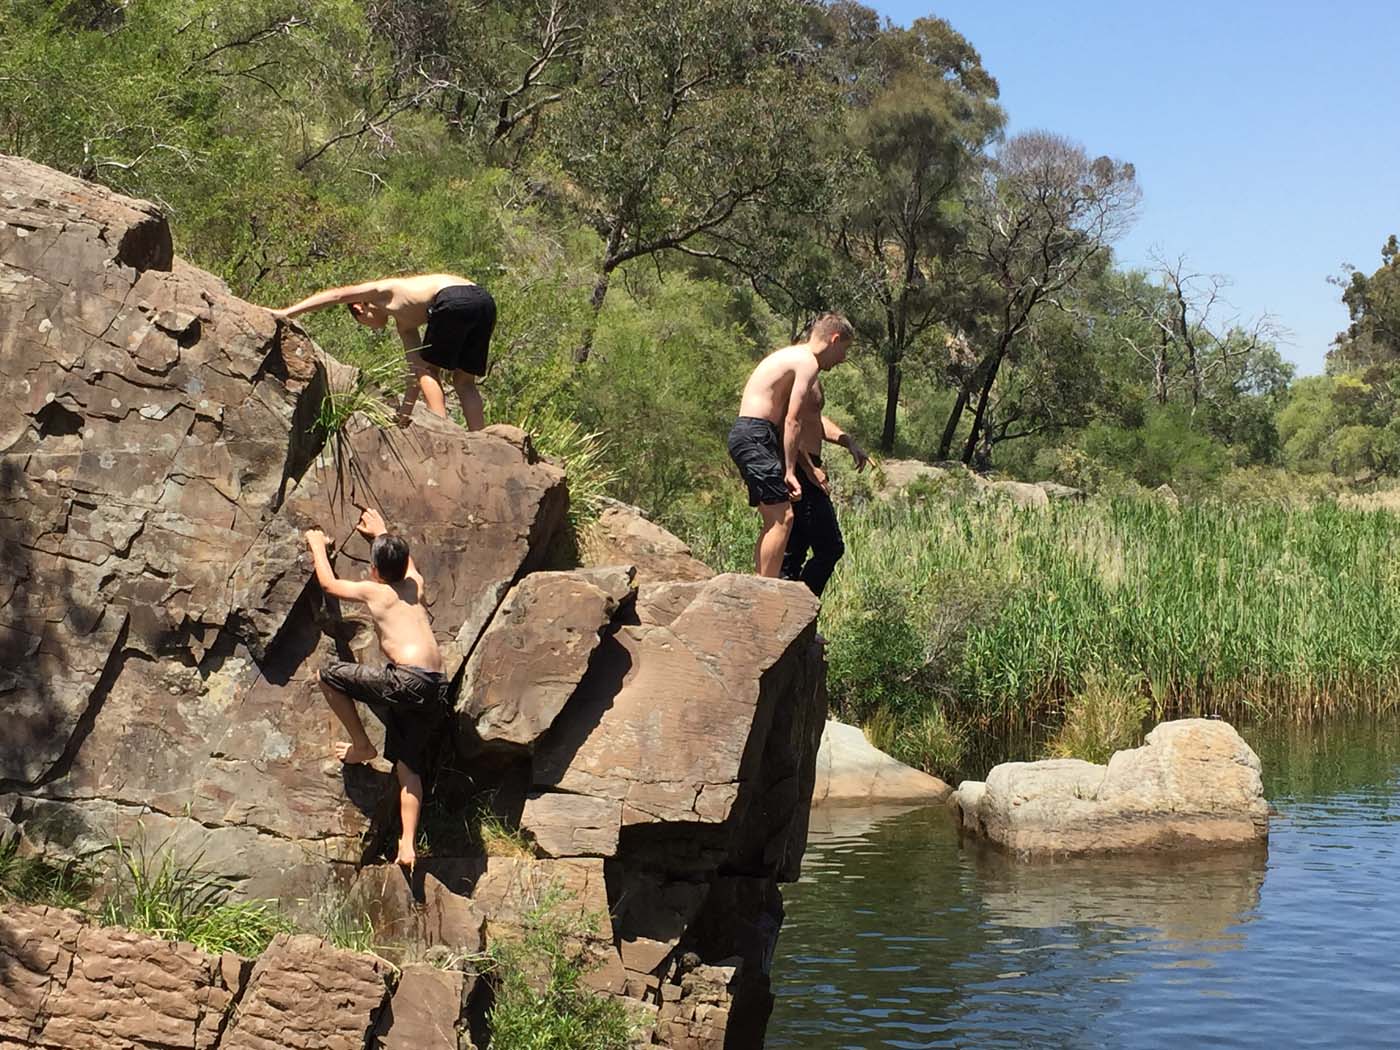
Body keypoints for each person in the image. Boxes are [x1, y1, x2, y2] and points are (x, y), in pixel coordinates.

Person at [305, 507, 446, 872]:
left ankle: (362, 744)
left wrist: (317, 545)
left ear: (375, 571)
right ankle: (408, 845)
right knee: (407, 766)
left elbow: (329, 585)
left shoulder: (376, 591)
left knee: (326, 675)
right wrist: (381, 532)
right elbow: (409, 564)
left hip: (406, 681)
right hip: (434, 686)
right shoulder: (414, 585)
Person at [271, 273, 496, 430]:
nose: (371, 327)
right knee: (464, 381)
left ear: (359, 308)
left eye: (362, 322)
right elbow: (413, 376)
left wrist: (287, 312)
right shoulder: (405, 325)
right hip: (484, 301)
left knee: (430, 372)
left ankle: (442, 429)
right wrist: (403, 417)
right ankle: (480, 435)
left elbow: (336, 295)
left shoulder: (382, 291)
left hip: (451, 298)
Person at [727, 313, 854, 579]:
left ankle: (761, 583)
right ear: (834, 339)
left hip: (751, 434)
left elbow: (805, 420)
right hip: (756, 434)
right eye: (844, 350)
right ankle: (766, 590)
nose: (842, 358)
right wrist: (790, 470)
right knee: (782, 518)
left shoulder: (792, 356)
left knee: (774, 519)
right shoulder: (807, 362)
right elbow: (792, 420)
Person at [783, 412, 869, 597]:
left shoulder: (809, 383)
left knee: (794, 551)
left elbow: (813, 417)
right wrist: (809, 468)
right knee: (830, 547)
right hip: (799, 466)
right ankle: (799, 606)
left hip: (803, 464)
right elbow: (788, 420)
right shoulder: (798, 381)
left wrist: (848, 441)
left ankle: (791, 610)